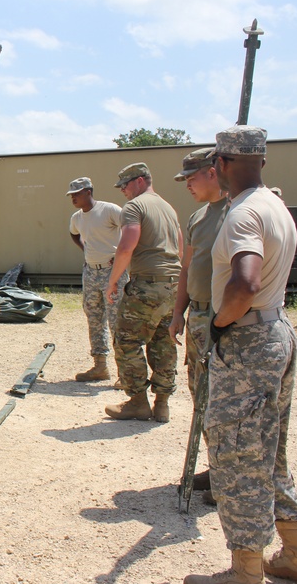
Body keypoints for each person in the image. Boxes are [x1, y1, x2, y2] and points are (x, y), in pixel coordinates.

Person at [185, 126, 297, 584]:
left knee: (237, 456)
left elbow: (244, 283)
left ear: (221, 165)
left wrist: (221, 322)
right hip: (276, 331)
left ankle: (245, 571)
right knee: (269, 452)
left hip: (247, 343)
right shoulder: (277, 207)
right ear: (261, 161)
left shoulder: (243, 214)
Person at [167, 148, 226, 496]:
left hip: (226, 318)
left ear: (213, 172)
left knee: (225, 399)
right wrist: (178, 313)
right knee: (199, 392)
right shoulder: (198, 218)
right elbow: (188, 268)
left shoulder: (239, 212)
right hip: (199, 316)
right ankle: (217, 465)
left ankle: (230, 473)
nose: (187, 184)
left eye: (192, 177)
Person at [104, 163, 182, 422]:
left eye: (125, 185)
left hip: (147, 285)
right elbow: (180, 245)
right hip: (172, 284)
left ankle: (137, 401)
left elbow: (127, 245)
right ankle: (162, 405)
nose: (123, 191)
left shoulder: (135, 207)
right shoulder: (168, 207)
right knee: (163, 341)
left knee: (126, 341)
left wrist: (113, 280)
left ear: (139, 181)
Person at [66, 176, 127, 382]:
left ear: (88, 192)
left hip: (113, 272)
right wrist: (85, 250)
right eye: (71, 195)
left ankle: (125, 372)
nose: (73, 197)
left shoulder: (110, 210)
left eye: (77, 193)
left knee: (116, 320)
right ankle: (100, 366)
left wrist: (121, 256)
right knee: (94, 318)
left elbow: (131, 229)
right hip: (91, 272)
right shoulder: (77, 218)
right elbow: (73, 234)